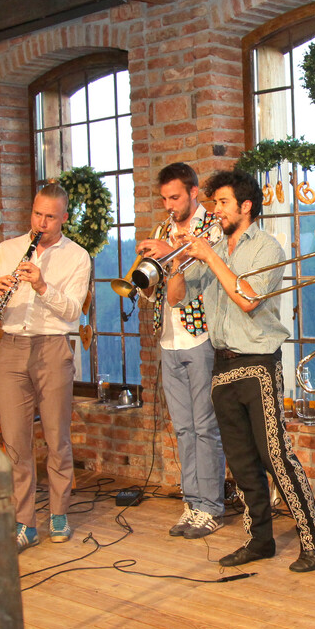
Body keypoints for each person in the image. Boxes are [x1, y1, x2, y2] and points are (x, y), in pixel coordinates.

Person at [168, 169, 315, 572]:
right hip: (221, 364)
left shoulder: (266, 247)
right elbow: (176, 298)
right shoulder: (214, 247)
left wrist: (209, 257)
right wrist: (171, 261)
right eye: (215, 203)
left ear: (246, 206)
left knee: (276, 456)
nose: (216, 211)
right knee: (241, 462)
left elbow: (249, 299)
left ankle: (314, 536)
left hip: (258, 364)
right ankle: (260, 540)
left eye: (223, 203)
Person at [0, 183, 92, 551]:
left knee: (57, 438)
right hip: (10, 347)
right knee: (15, 442)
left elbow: (72, 311)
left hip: (52, 348)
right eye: (37, 214)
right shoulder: (7, 249)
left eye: (50, 217)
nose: (42, 222)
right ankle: (23, 522)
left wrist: (42, 286)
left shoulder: (77, 256)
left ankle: (58, 514)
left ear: (64, 218)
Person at [134, 163, 227, 539]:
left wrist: (170, 250)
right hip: (169, 339)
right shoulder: (164, 230)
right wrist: (144, 275)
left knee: (205, 428)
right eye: (164, 199)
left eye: (174, 197)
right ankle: (193, 503)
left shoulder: (213, 225)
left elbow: (207, 270)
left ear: (192, 192)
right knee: (184, 428)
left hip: (200, 337)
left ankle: (212, 507)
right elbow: (156, 290)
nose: (169, 205)